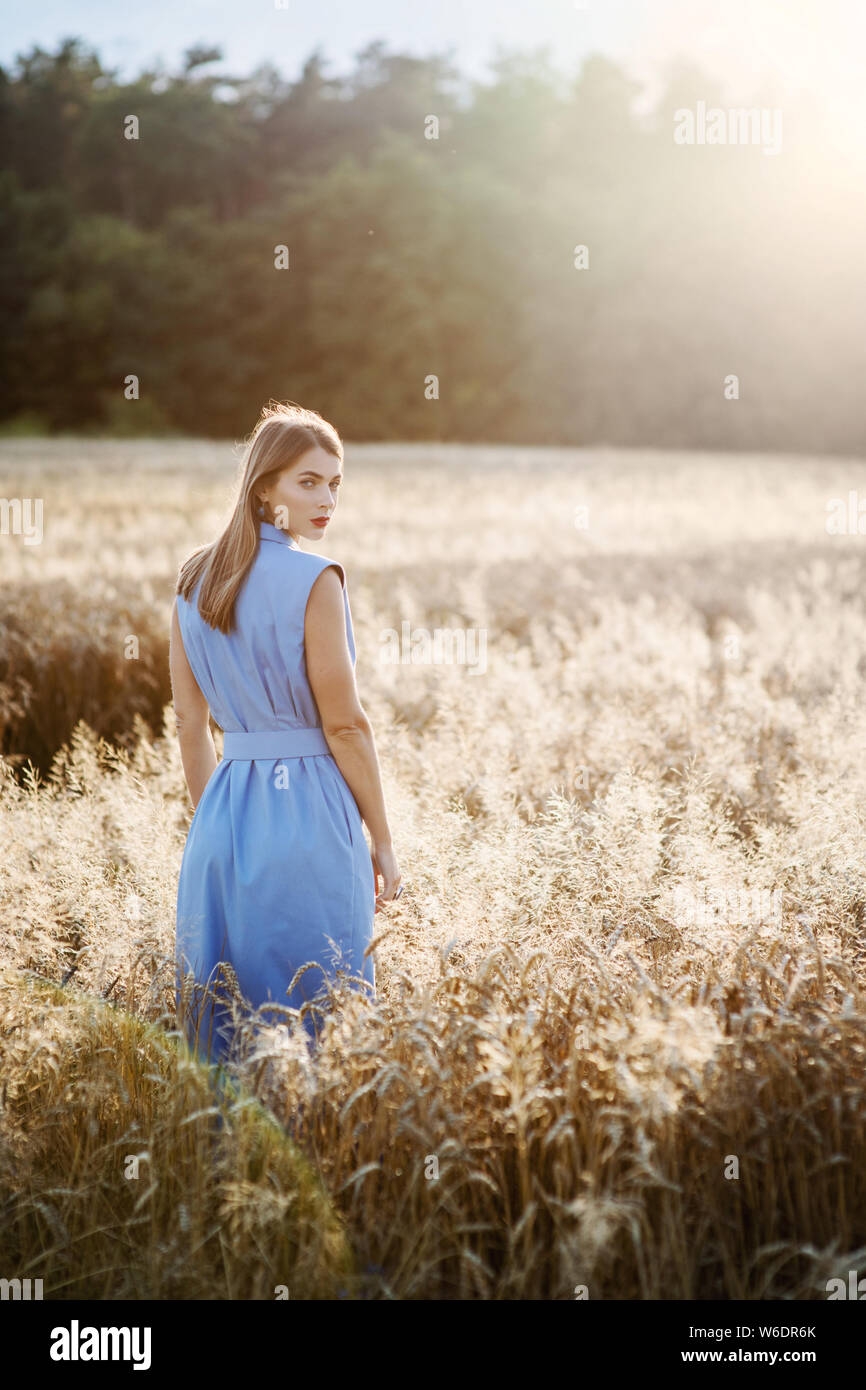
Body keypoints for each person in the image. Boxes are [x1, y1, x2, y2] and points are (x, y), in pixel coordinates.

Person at [170, 401, 402, 1068]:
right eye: (308, 482)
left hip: (221, 821)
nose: (327, 499)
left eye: (335, 484)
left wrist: (217, 826)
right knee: (320, 1022)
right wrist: (382, 839)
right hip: (308, 814)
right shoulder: (314, 579)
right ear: (264, 486)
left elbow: (191, 725)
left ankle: (221, 1168)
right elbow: (345, 724)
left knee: (225, 1031)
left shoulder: (192, 581)